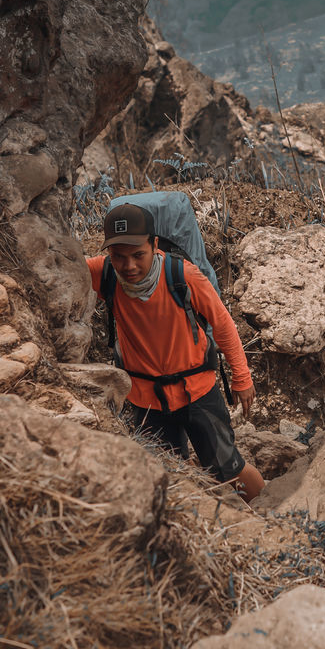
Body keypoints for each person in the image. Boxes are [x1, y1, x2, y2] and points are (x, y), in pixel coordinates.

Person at [88, 203, 264, 503]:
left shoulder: (183, 276)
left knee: (225, 469)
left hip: (198, 392)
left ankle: (269, 504)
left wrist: (242, 378)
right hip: (146, 399)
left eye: (137, 255)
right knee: (170, 472)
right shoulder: (103, 273)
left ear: (154, 245)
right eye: (119, 256)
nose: (128, 266)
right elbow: (60, 267)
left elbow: (223, 325)